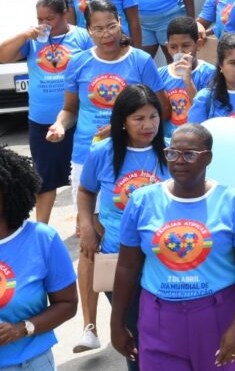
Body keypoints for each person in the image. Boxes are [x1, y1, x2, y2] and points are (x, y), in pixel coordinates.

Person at [46, 0, 162, 352]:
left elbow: (159, 107)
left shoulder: (140, 61)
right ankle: (91, 325)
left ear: (120, 23)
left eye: (111, 25)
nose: (106, 33)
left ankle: (143, 317)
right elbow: (69, 108)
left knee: (128, 234)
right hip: (91, 158)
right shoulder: (79, 62)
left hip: (137, 156)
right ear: (87, 29)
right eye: (97, 28)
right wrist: (59, 125)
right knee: (91, 242)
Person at [110, 123, 235, 369]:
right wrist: (117, 323)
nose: (179, 160)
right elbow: (127, 266)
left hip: (217, 317)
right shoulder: (142, 201)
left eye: (189, 154)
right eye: (172, 153)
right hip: (159, 319)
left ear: (208, 158)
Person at [77, 83, 166, 370]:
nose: (148, 125)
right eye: (138, 118)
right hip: (119, 259)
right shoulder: (103, 152)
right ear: (123, 121)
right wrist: (87, 225)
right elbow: (85, 190)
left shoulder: (172, 147)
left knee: (165, 332)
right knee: (134, 335)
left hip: (167, 258)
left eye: (153, 116)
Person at [0, 0, 91, 224]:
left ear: (64, 15)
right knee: (44, 179)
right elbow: (3, 55)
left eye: (49, 18)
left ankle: (85, 221)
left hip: (78, 118)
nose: (43, 24)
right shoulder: (32, 41)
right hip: (42, 121)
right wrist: (24, 34)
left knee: (84, 175)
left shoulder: (81, 37)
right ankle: (42, 228)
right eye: (39, 18)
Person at [0, 146, 78, 370]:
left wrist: (21, 329)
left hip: (30, 363)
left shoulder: (41, 239)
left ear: (8, 190)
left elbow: (67, 303)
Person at [157, 16, 216, 138]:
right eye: (173, 47)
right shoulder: (160, 74)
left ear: (198, 44)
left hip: (196, 138)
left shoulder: (209, 73)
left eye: (186, 45)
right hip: (169, 138)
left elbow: (204, 111)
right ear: (167, 47)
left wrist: (188, 80)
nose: (180, 52)